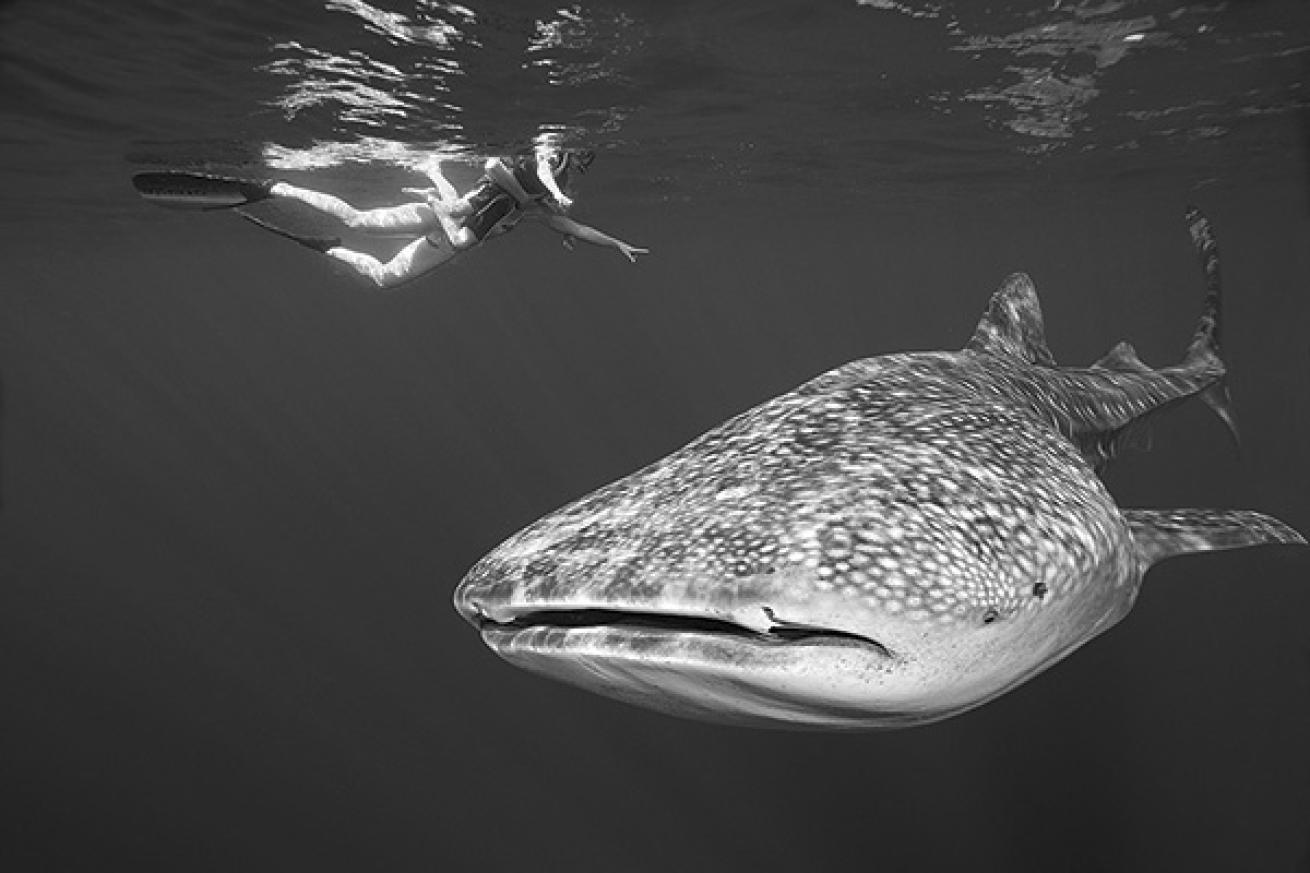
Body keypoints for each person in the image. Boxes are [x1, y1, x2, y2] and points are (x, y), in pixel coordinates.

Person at [255, 148, 648, 289]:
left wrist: (616, 244)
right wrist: (437, 185)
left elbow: (577, 228)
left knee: (380, 271)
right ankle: (284, 190)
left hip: (444, 231)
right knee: (363, 231)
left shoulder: (532, 210)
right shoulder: (519, 196)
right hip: (446, 228)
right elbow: (488, 178)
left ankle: (329, 247)